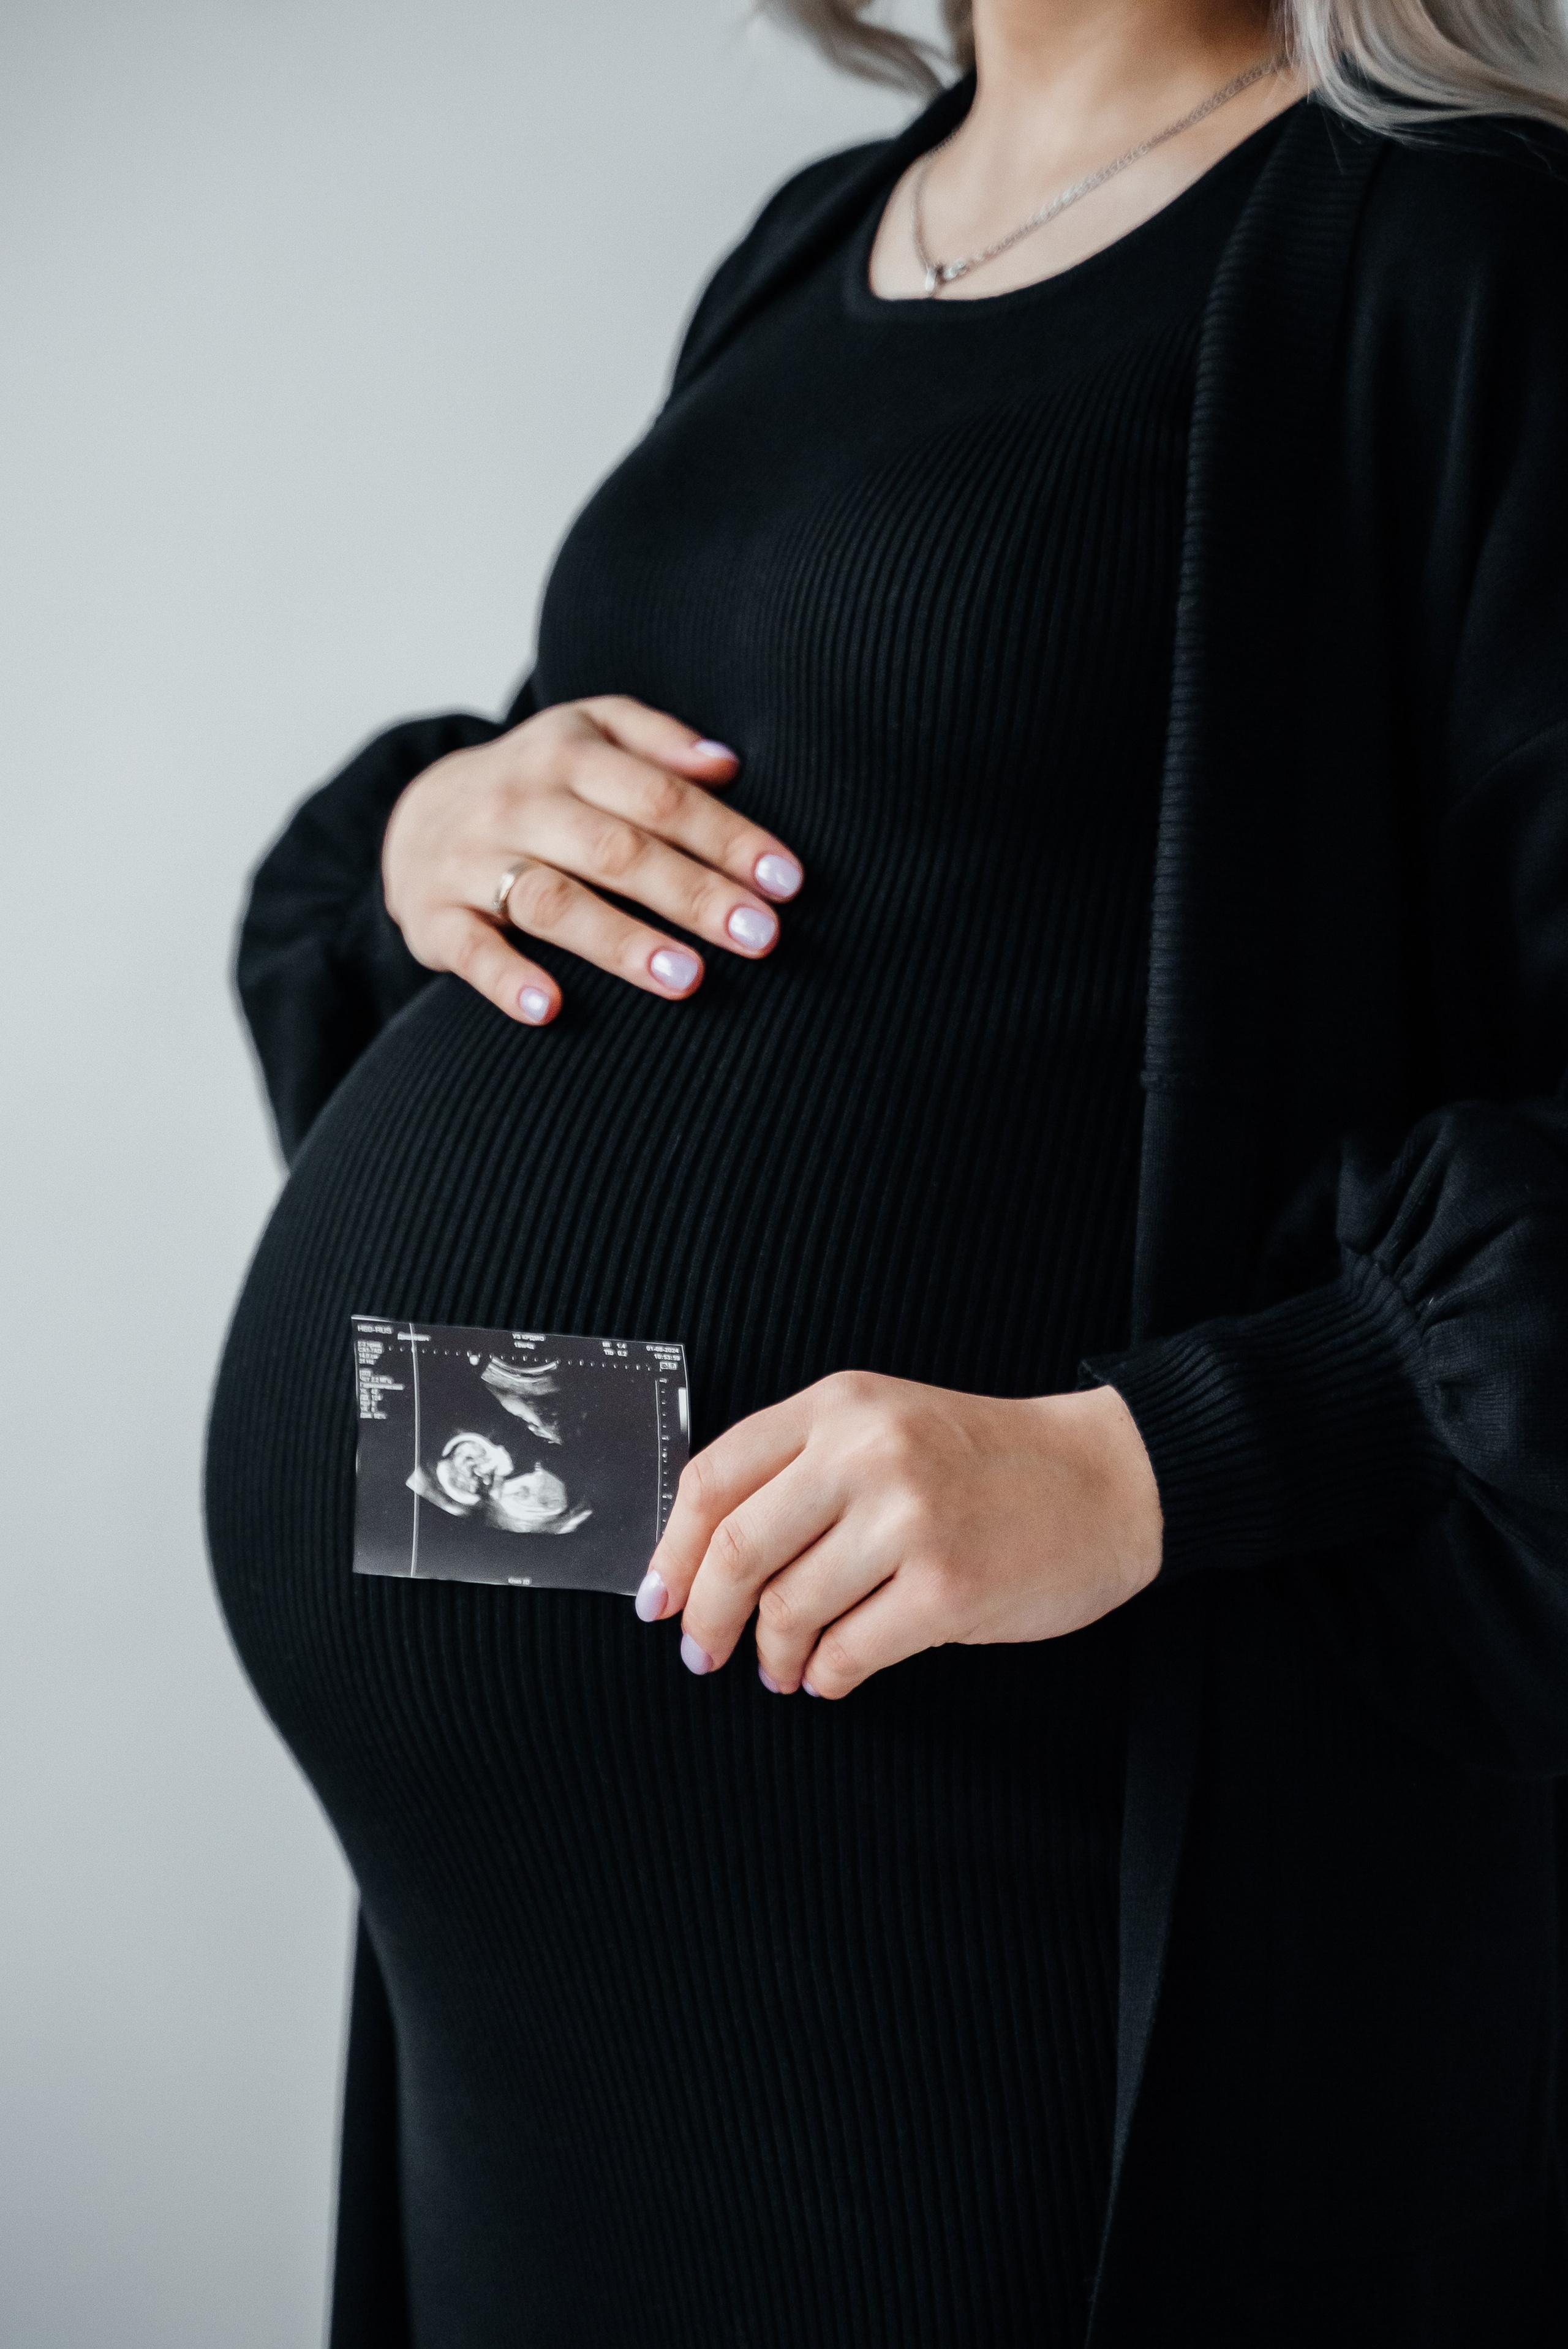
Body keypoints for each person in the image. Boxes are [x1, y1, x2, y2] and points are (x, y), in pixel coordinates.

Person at [205, 0, 1568, 2339]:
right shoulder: (810, 244)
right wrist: (436, 822)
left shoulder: (1464, 250)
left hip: (940, 1880)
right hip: (524, 1956)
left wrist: (1146, 1458)